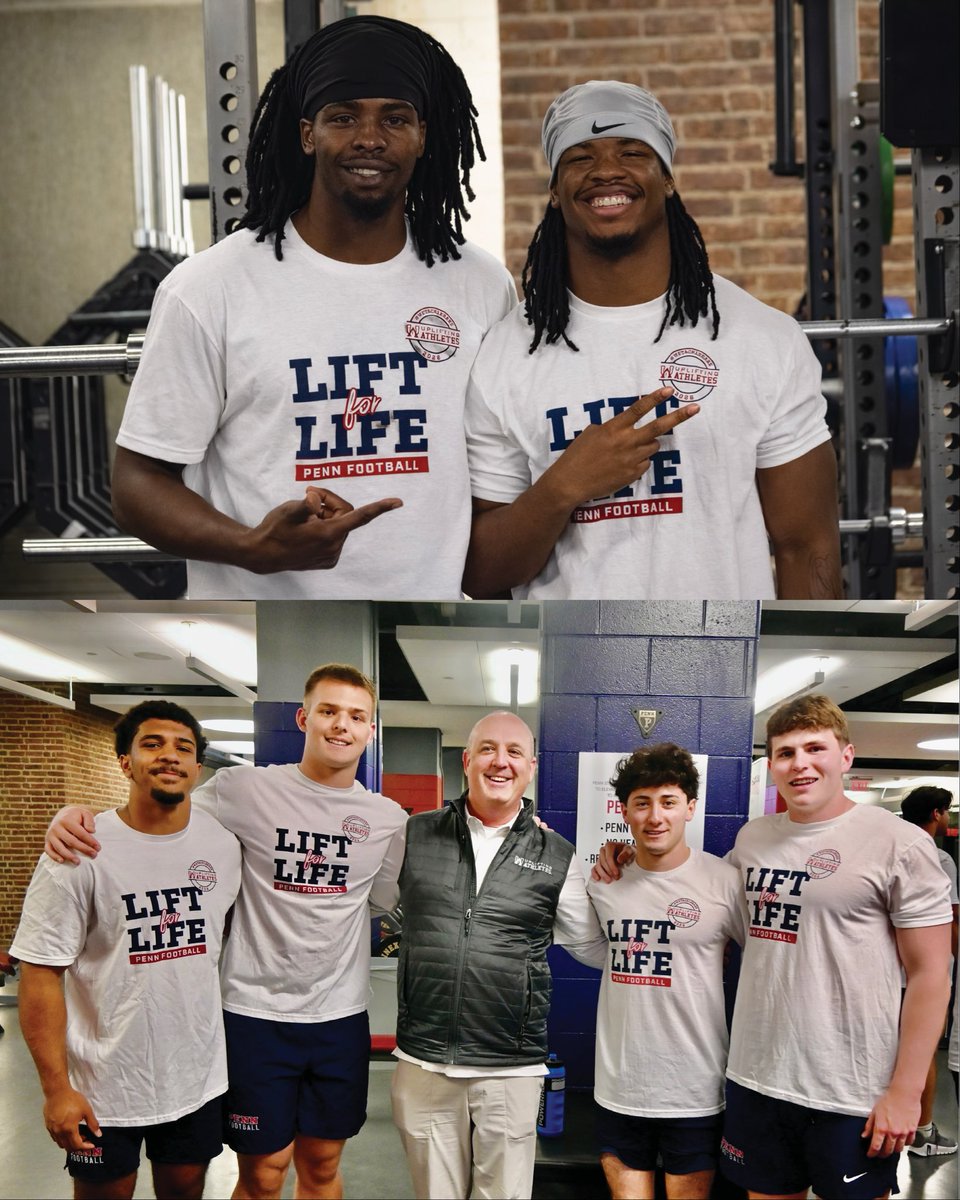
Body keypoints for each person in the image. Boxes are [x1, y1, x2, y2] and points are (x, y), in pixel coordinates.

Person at [111, 15, 516, 599]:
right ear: (308, 134)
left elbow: (493, 482)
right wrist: (250, 547)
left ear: (423, 135)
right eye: (343, 116)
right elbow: (137, 483)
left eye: (394, 118)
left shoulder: (480, 284)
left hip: (432, 615)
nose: (369, 138)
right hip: (262, 620)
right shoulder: (210, 287)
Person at [462, 80, 842, 600]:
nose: (606, 170)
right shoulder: (506, 356)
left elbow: (807, 546)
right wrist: (562, 487)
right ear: (554, 189)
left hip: (724, 656)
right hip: (575, 663)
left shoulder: (761, 338)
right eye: (580, 157)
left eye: (632, 151)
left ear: (666, 177)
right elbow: (481, 576)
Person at [45, 664, 407, 1200]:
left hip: (340, 1018)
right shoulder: (245, 788)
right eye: (329, 711)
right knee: (262, 1173)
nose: (341, 726)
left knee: (323, 1166)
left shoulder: (388, 818)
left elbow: (379, 901)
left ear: (371, 730)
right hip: (252, 1016)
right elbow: (158, 815)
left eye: (357, 716)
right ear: (305, 717)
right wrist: (80, 818)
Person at [593, 696, 953, 1199]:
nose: (800, 764)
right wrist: (627, 858)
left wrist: (906, 1091)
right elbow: (693, 886)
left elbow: (932, 975)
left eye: (814, 748)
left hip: (851, 1089)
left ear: (845, 756)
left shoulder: (899, 844)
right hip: (756, 1079)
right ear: (773, 765)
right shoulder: (755, 838)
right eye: (785, 753)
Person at [10, 701, 241, 1200]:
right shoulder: (80, 851)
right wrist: (56, 1090)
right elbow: (40, 972)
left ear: (198, 768)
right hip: (104, 1085)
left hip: (194, 1079)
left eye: (183, 748)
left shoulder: (223, 845)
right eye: (152, 744)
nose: (169, 757)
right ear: (125, 761)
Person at [390, 710, 607, 1200]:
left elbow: (589, 943)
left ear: (531, 766)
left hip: (511, 1068)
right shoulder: (414, 834)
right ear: (467, 761)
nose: (500, 762)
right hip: (424, 1060)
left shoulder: (557, 854)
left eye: (513, 752)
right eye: (487, 749)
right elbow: (365, 898)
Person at [582, 744, 746, 1200]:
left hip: (694, 1087)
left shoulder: (725, 882)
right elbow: (598, 950)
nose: (656, 816)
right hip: (621, 1085)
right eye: (643, 802)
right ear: (624, 810)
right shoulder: (604, 880)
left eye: (669, 802)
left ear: (690, 808)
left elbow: (767, 959)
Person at [899, 785, 959, 1157]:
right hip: (928, 975)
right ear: (937, 814)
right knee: (921, 1049)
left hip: (893, 974)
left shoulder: (887, 848)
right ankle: (922, 1131)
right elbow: (952, 918)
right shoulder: (938, 858)